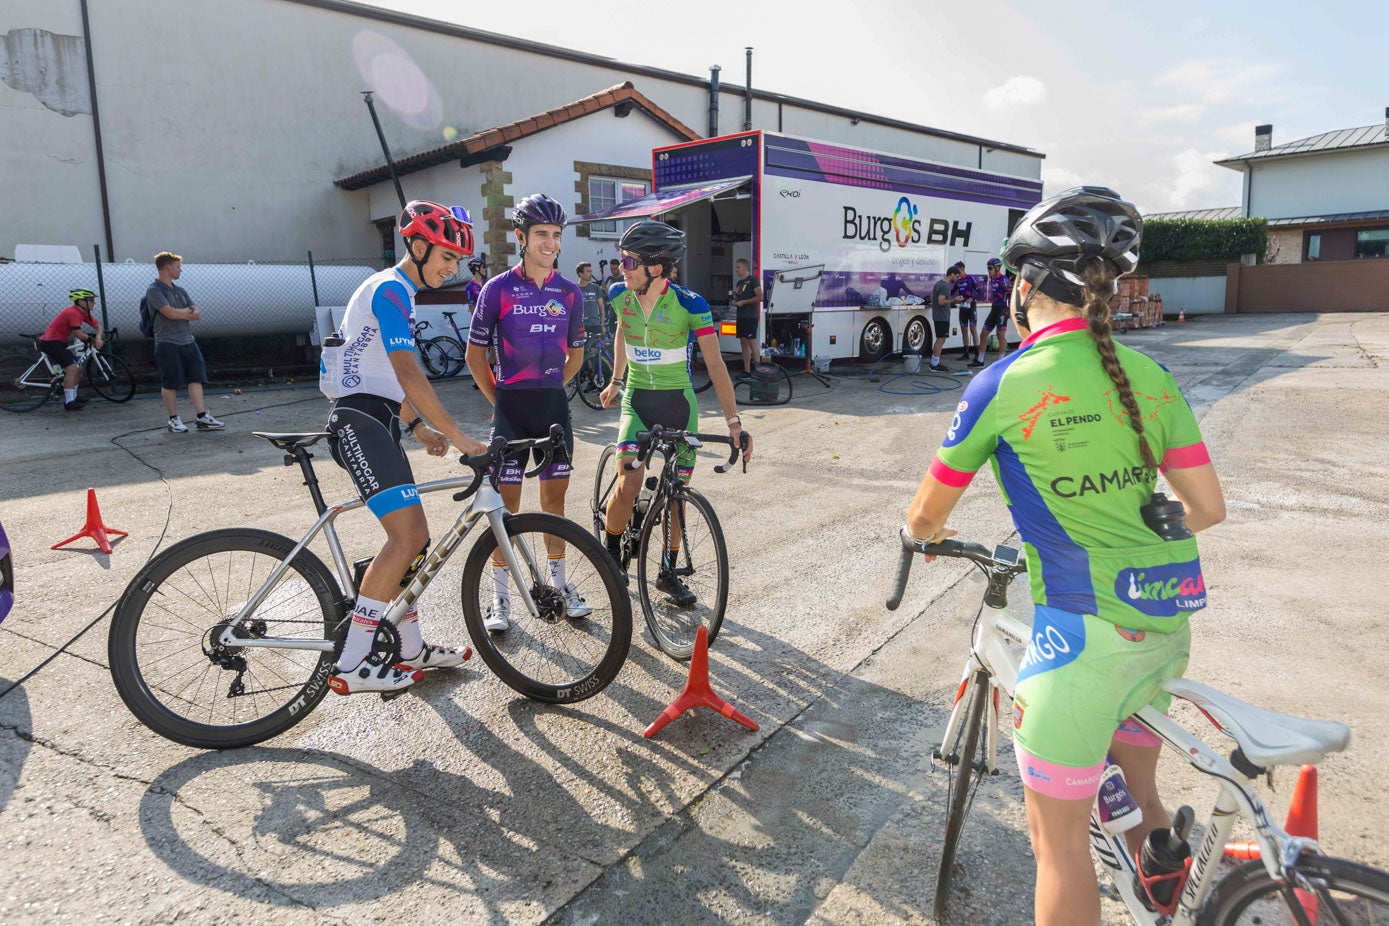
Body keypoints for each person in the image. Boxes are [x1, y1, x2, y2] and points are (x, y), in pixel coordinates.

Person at [903, 187, 1226, 926]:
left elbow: (925, 514)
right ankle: (1158, 888)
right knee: (1137, 795)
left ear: (1024, 286)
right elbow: (1205, 511)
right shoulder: (1150, 375)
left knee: (1057, 849)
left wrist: (919, 538)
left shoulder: (1005, 382)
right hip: (1163, 624)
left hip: (1080, 639)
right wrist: (1127, 515)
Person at [320, 200, 489, 694]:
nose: (452, 268)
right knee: (407, 538)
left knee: (415, 537)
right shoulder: (391, 288)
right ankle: (351, 661)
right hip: (359, 421)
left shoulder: (398, 293)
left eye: (457, 262)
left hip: (376, 418)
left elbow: (380, 375)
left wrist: (417, 426)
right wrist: (459, 436)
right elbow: (407, 369)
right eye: (445, 256)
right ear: (416, 246)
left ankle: (410, 647)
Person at [598, 220, 752, 605]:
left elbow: (716, 366)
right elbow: (622, 329)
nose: (621, 268)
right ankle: (612, 556)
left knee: (677, 496)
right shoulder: (619, 295)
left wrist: (734, 423)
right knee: (629, 482)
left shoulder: (690, 304)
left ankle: (668, 572)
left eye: (628, 261)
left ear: (654, 267)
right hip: (638, 402)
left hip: (679, 405)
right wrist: (617, 380)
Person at [465, 194, 589, 632]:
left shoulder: (570, 293)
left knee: (554, 504)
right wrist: (498, 398)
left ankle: (558, 586)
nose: (550, 244)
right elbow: (474, 354)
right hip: (511, 412)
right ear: (521, 237)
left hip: (553, 407)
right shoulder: (497, 289)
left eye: (556, 236)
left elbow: (576, 355)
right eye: (541, 235)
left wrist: (553, 383)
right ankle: (501, 599)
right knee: (507, 509)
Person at [147, 252, 224, 432]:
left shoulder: (180, 290)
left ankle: (202, 417)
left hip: (188, 341)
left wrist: (180, 312)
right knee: (170, 382)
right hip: (167, 343)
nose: (180, 270)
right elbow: (169, 313)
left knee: (196, 377)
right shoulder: (154, 290)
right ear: (168, 267)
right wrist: (184, 312)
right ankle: (173, 420)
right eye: (177, 266)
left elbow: (196, 313)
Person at [38, 288, 104, 411]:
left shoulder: (84, 313)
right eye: (90, 300)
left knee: (79, 368)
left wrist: (98, 337)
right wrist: (93, 339)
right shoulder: (73, 312)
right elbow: (78, 334)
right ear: (80, 301)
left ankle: (74, 396)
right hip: (50, 342)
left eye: (93, 300)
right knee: (72, 368)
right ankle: (69, 402)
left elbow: (98, 326)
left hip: (58, 342)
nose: (93, 303)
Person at [730, 258, 762, 379]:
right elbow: (737, 297)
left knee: (751, 340)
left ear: (744, 267)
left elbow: (760, 297)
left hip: (750, 316)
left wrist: (745, 302)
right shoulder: (739, 283)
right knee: (743, 342)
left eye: (738, 267)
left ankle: (759, 370)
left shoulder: (753, 281)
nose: (736, 269)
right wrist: (735, 300)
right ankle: (747, 371)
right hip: (741, 316)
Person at [928, 266, 963, 372]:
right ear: (952, 274)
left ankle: (934, 362)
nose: (956, 279)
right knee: (941, 339)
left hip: (939, 316)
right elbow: (941, 301)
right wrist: (954, 300)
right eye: (956, 276)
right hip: (942, 317)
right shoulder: (944, 286)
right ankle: (934, 364)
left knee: (940, 338)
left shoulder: (939, 284)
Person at [977, 257, 1012, 365]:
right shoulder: (992, 279)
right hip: (994, 308)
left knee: (1000, 334)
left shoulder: (1004, 280)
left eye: (990, 268)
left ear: (997, 268)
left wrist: (1009, 310)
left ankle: (1001, 362)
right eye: (988, 268)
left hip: (1003, 309)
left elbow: (1011, 294)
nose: (988, 270)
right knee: (983, 334)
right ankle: (980, 360)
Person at [952, 261, 980, 363]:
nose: (956, 273)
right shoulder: (958, 281)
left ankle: (977, 353)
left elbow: (979, 291)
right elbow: (952, 292)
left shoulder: (970, 278)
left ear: (962, 269)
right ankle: (966, 353)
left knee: (973, 329)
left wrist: (972, 298)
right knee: (964, 330)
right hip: (962, 307)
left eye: (957, 270)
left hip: (971, 306)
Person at [576, 261, 611, 339]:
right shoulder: (574, 289)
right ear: (580, 274)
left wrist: (602, 325)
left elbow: (601, 308)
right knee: (579, 350)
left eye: (591, 271)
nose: (590, 274)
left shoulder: (595, 288)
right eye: (588, 271)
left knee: (594, 350)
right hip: (579, 325)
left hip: (594, 325)